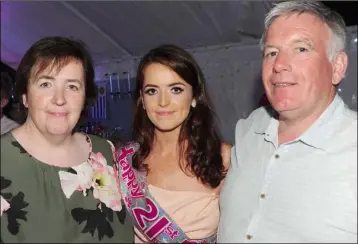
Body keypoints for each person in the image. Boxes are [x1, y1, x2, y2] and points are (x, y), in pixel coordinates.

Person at [218, 1, 357, 243]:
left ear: (337, 67)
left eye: (301, 49)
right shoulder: (250, 128)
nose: (279, 64)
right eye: (272, 53)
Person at [0, 36, 133, 243]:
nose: (59, 99)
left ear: (84, 98)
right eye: (45, 84)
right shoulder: (3, 161)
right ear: (25, 95)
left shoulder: (104, 152)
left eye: (72, 86)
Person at [114, 44, 231, 243]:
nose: (163, 102)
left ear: (194, 96)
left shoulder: (224, 158)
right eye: (152, 91)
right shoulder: (123, 160)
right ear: (142, 99)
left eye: (175, 89)